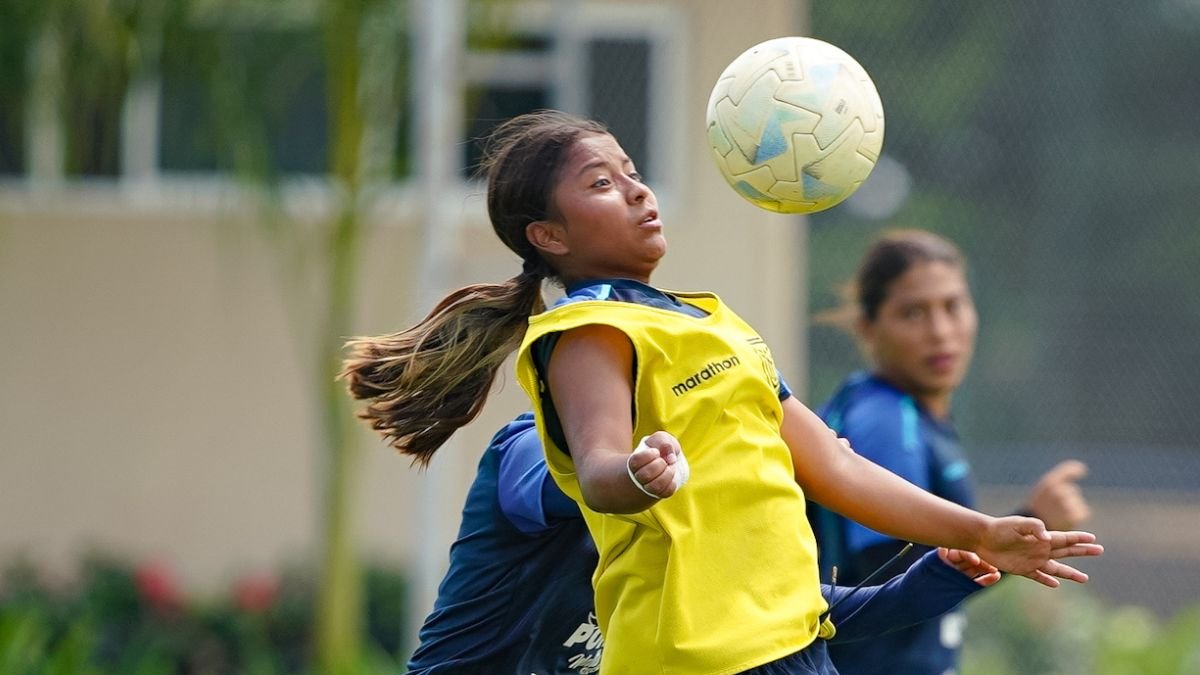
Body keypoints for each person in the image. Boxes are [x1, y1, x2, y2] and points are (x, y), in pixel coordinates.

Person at [340, 110, 1101, 675]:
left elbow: (832, 468)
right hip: (695, 659)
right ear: (549, 236)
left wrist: (978, 530)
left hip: (790, 646)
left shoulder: (715, 322)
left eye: (633, 171)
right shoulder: (587, 331)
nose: (638, 191)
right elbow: (601, 471)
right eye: (602, 184)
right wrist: (635, 473)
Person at [384, 412, 1008, 675]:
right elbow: (574, 484)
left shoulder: (698, 536)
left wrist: (935, 580)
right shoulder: (530, 445)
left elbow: (799, 614)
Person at [807, 229, 1093, 675]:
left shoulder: (902, 411)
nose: (940, 332)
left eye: (952, 306)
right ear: (868, 327)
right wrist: (1031, 521)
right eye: (912, 313)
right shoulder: (884, 422)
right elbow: (887, 588)